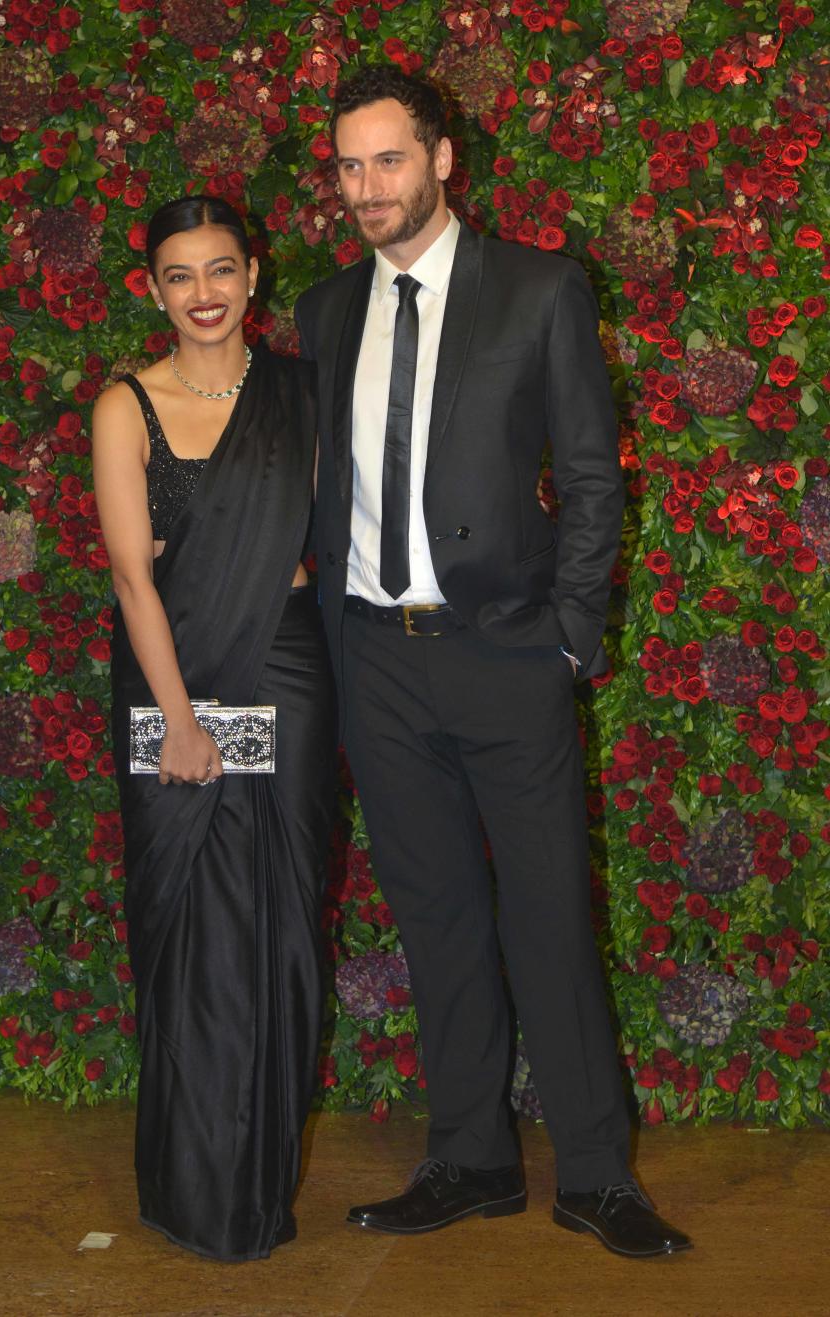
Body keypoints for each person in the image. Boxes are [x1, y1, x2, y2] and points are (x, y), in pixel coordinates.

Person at [295, 66, 691, 1259]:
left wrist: (568, 636)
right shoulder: (322, 311)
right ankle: (468, 1158)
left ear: (443, 159)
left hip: (506, 655)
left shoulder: (539, 291)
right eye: (349, 168)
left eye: (388, 162)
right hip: (378, 660)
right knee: (437, 919)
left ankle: (596, 1174)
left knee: (548, 917)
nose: (367, 190)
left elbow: (589, 477)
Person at [92, 196, 336, 1262]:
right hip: (167, 681)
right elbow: (131, 579)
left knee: (281, 928)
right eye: (181, 276)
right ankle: (194, 1186)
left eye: (221, 270)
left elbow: (337, 540)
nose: (204, 294)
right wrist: (181, 723)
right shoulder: (123, 405)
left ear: (253, 276)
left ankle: (259, 1185)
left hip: (287, 670)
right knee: (189, 934)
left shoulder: (298, 393)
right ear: (155, 289)